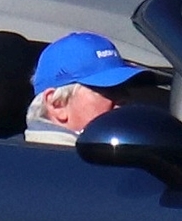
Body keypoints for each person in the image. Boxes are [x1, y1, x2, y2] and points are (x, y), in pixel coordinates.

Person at [24, 30, 163, 145]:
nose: (124, 98)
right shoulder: (58, 167)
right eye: (108, 89)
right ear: (57, 105)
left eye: (123, 88)